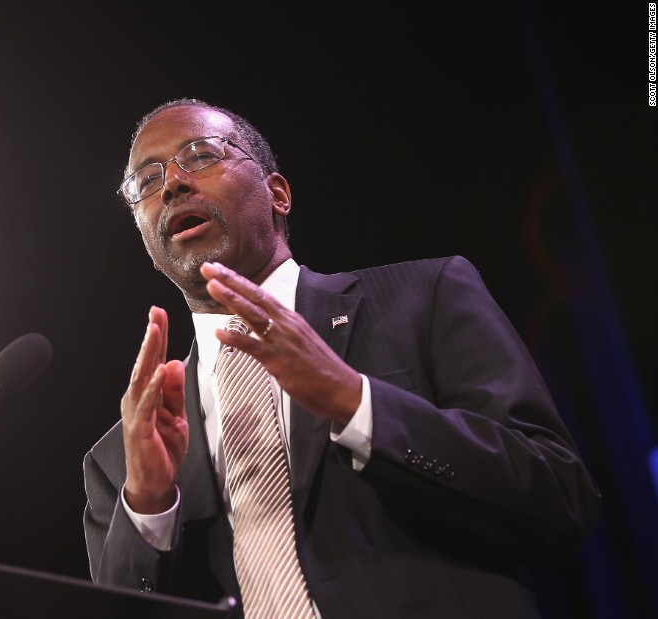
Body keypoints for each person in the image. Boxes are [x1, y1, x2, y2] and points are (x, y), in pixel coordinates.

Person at [82, 98, 601, 618]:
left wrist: (357, 403)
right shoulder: (124, 462)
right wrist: (150, 507)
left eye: (199, 155)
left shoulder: (425, 297)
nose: (171, 183)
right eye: (146, 182)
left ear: (277, 193)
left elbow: (558, 499)